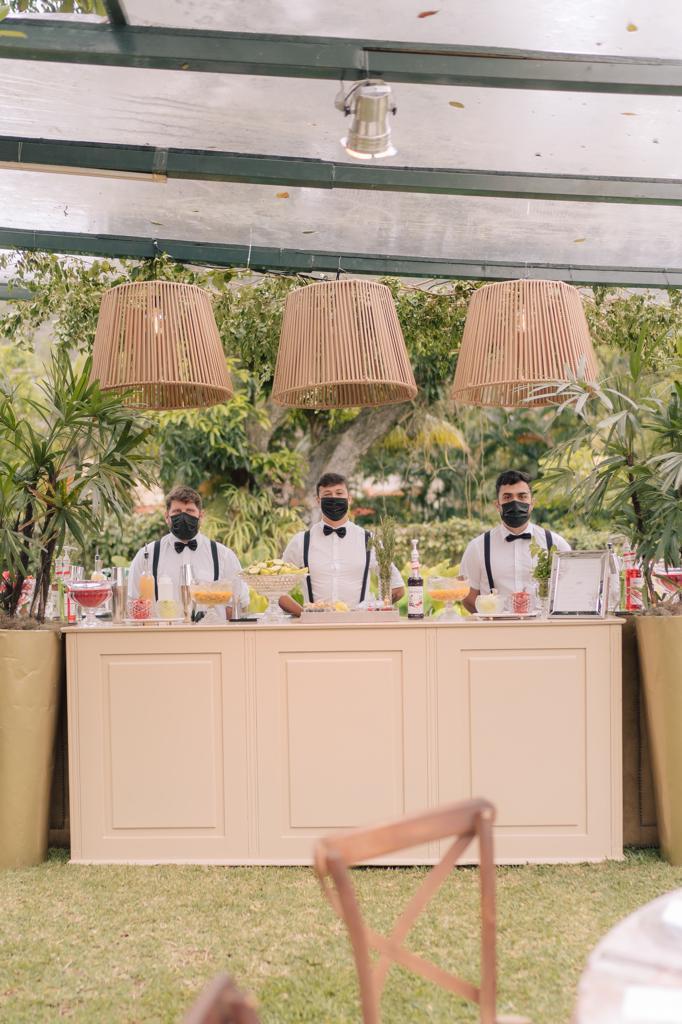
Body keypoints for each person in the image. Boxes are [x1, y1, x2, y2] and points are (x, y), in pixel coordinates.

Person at [279, 473, 405, 617]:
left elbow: (397, 589)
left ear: (349, 499)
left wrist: (372, 610)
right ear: (318, 500)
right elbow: (277, 591)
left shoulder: (370, 540)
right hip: (315, 627)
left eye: (339, 493)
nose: (334, 498)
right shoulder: (300, 542)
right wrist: (304, 615)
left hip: (358, 626)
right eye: (327, 494)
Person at [460, 469, 571, 614]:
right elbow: (468, 596)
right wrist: (490, 618)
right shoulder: (477, 547)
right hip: (495, 626)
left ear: (532, 503)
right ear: (497, 505)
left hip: (542, 625)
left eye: (522, 496)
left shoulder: (557, 544)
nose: (515, 502)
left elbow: (570, 589)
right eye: (507, 497)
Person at [128, 485, 249, 615]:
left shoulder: (223, 555)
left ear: (201, 516)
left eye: (190, 511)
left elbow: (238, 603)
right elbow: (133, 601)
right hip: (164, 628)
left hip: (210, 628)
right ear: (167, 517)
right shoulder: (147, 555)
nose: (183, 516)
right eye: (177, 511)